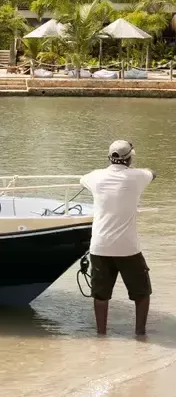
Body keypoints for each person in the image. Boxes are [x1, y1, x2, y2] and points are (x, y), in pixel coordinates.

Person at [80, 140, 155, 336]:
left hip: (100, 246)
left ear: (109, 157)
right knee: (142, 293)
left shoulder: (95, 177)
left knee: (101, 296)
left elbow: (82, 179)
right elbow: (152, 173)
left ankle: (101, 334)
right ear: (129, 159)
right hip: (128, 248)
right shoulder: (138, 177)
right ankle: (140, 333)